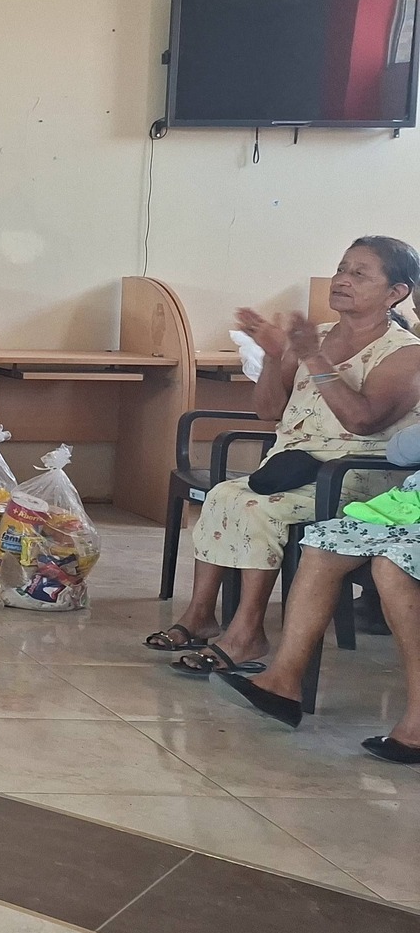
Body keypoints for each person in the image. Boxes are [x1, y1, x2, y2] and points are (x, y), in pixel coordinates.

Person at [153, 237, 420, 674]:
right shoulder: (315, 337)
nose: (342, 280)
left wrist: (314, 358)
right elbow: (269, 410)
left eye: (359, 274)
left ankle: (247, 633)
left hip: (356, 475)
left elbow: (363, 420)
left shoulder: (405, 352)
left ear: (396, 292)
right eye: (341, 269)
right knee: (223, 495)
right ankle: (200, 616)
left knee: (258, 509)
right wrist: (276, 356)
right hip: (292, 467)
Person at [218, 424, 420, 762]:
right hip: (409, 512)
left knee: (391, 565)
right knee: (323, 545)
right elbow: (398, 452)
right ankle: (282, 682)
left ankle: (418, 721)